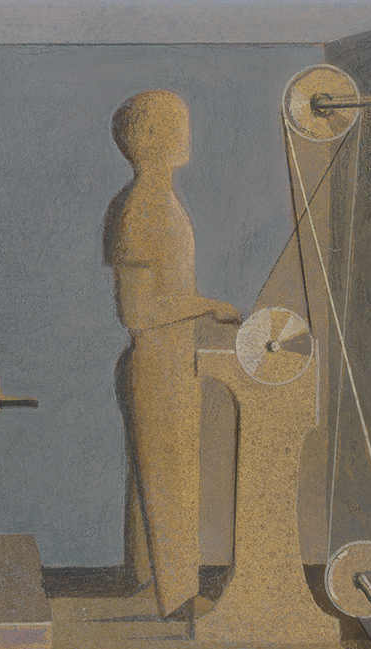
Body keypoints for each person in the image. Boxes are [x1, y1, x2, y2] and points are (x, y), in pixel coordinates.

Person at [104, 90, 241, 618]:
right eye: (175, 124)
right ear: (149, 139)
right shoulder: (139, 209)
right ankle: (179, 598)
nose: (186, 133)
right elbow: (137, 311)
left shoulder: (157, 203)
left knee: (156, 477)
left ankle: (147, 584)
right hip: (156, 362)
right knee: (170, 480)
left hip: (169, 359)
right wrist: (209, 305)